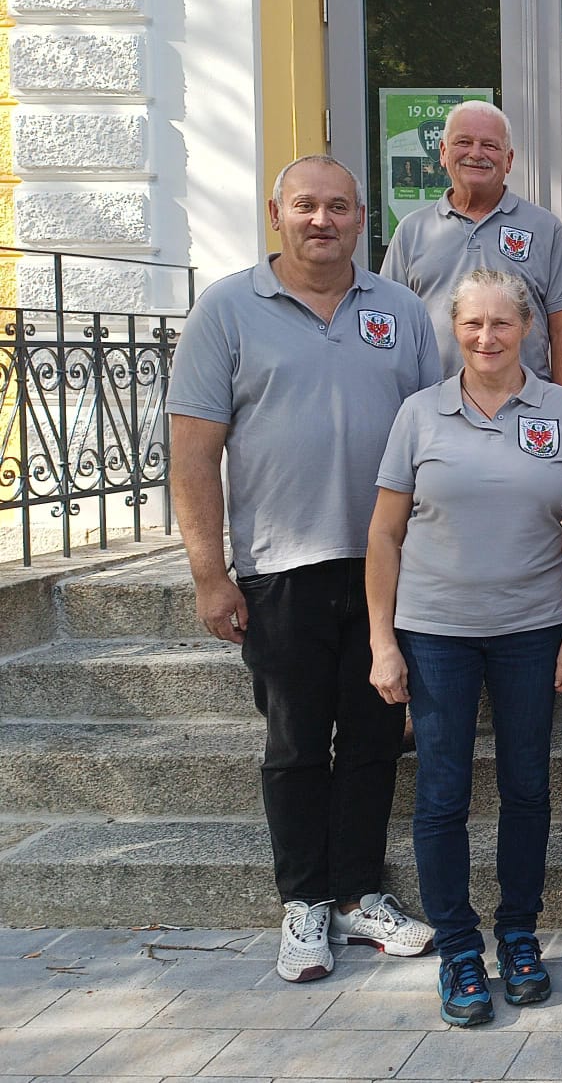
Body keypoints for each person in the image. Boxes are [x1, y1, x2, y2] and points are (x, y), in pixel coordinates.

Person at [168, 155, 439, 984]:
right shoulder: (227, 310)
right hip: (279, 568)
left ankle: (359, 894)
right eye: (305, 206)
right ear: (276, 214)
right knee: (293, 743)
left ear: (363, 219)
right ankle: (304, 903)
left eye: (338, 207)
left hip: (385, 569)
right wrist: (211, 574)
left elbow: (439, 433)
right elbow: (193, 455)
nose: (322, 220)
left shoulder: (399, 310)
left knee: (370, 739)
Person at [365, 268, 562, 1027]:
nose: (487, 338)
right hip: (435, 633)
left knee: (528, 788)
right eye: (472, 325)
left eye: (501, 324)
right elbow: (385, 533)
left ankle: (519, 934)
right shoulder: (419, 414)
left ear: (526, 328)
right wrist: (382, 642)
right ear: (454, 329)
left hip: (531, 629)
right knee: (442, 794)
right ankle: (461, 948)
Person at [380, 100, 562, 389]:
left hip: (524, 411)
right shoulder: (412, 231)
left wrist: (561, 410)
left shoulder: (544, 228)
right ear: (443, 153)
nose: (476, 154)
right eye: (464, 142)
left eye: (489, 145)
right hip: (435, 409)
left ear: (509, 160)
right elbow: (393, 324)